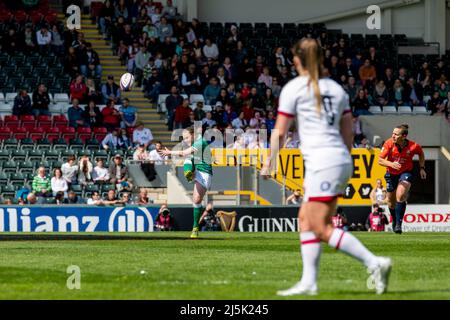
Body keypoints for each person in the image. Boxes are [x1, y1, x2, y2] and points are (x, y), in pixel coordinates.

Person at [262, 39, 391, 296]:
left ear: (297, 61)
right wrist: (345, 164)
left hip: (323, 162)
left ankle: (375, 262)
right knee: (306, 220)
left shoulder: (294, 88)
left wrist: (269, 162)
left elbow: (279, 132)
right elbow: (348, 135)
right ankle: (309, 282)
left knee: (320, 226)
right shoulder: (337, 89)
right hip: (336, 160)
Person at [160, 126, 213, 239]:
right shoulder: (197, 143)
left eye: (187, 137)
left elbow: (184, 153)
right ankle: (189, 173)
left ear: (194, 134)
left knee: (196, 200)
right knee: (189, 159)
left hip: (204, 173)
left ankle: (195, 227)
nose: (185, 140)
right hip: (197, 170)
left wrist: (169, 152)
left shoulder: (200, 142)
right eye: (184, 138)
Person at [378, 124, 426, 234]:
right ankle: (394, 220)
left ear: (403, 136)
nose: (393, 135)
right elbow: (380, 160)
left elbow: (421, 154)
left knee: (400, 195)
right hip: (391, 173)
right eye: (393, 133)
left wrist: (422, 168)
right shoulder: (388, 143)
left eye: (396, 134)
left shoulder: (414, 146)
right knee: (390, 202)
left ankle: (399, 224)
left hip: (406, 172)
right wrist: (391, 164)